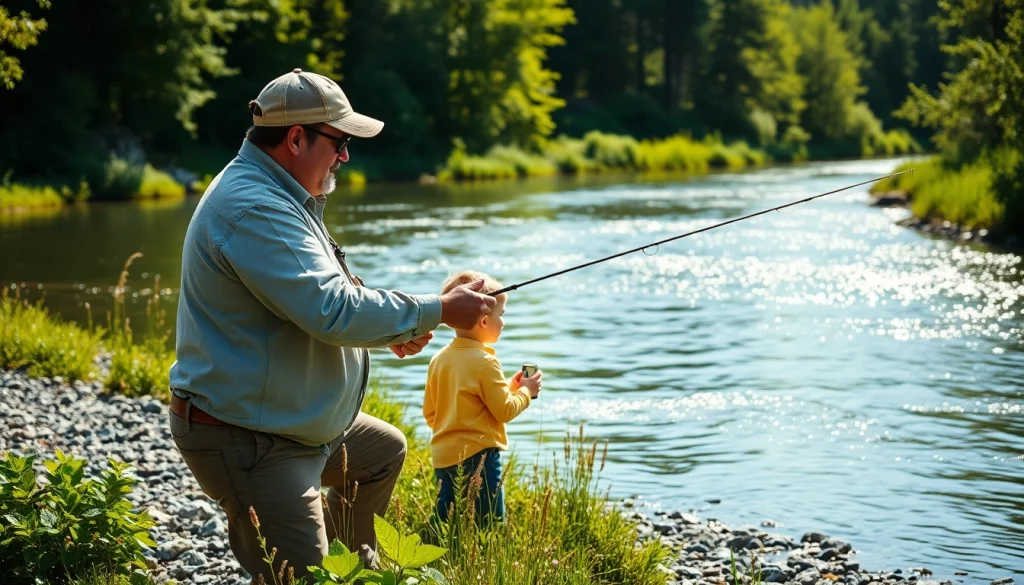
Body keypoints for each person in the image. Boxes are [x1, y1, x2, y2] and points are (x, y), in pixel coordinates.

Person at [167, 68, 497, 582]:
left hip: (291, 423)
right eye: (339, 141)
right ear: (296, 138)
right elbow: (333, 308)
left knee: (383, 453)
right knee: (308, 579)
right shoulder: (255, 207)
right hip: (249, 438)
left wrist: (393, 330)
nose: (345, 155)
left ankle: (353, 571)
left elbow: (317, 299)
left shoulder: (280, 192)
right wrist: (438, 309)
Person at [422, 270, 543, 527]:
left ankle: (435, 547)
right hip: (480, 457)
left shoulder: (439, 359)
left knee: (446, 516)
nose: (503, 322)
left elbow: (432, 413)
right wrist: (526, 392)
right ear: (485, 322)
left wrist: (509, 386)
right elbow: (505, 411)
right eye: (501, 315)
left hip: (443, 454)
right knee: (489, 521)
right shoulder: (486, 363)